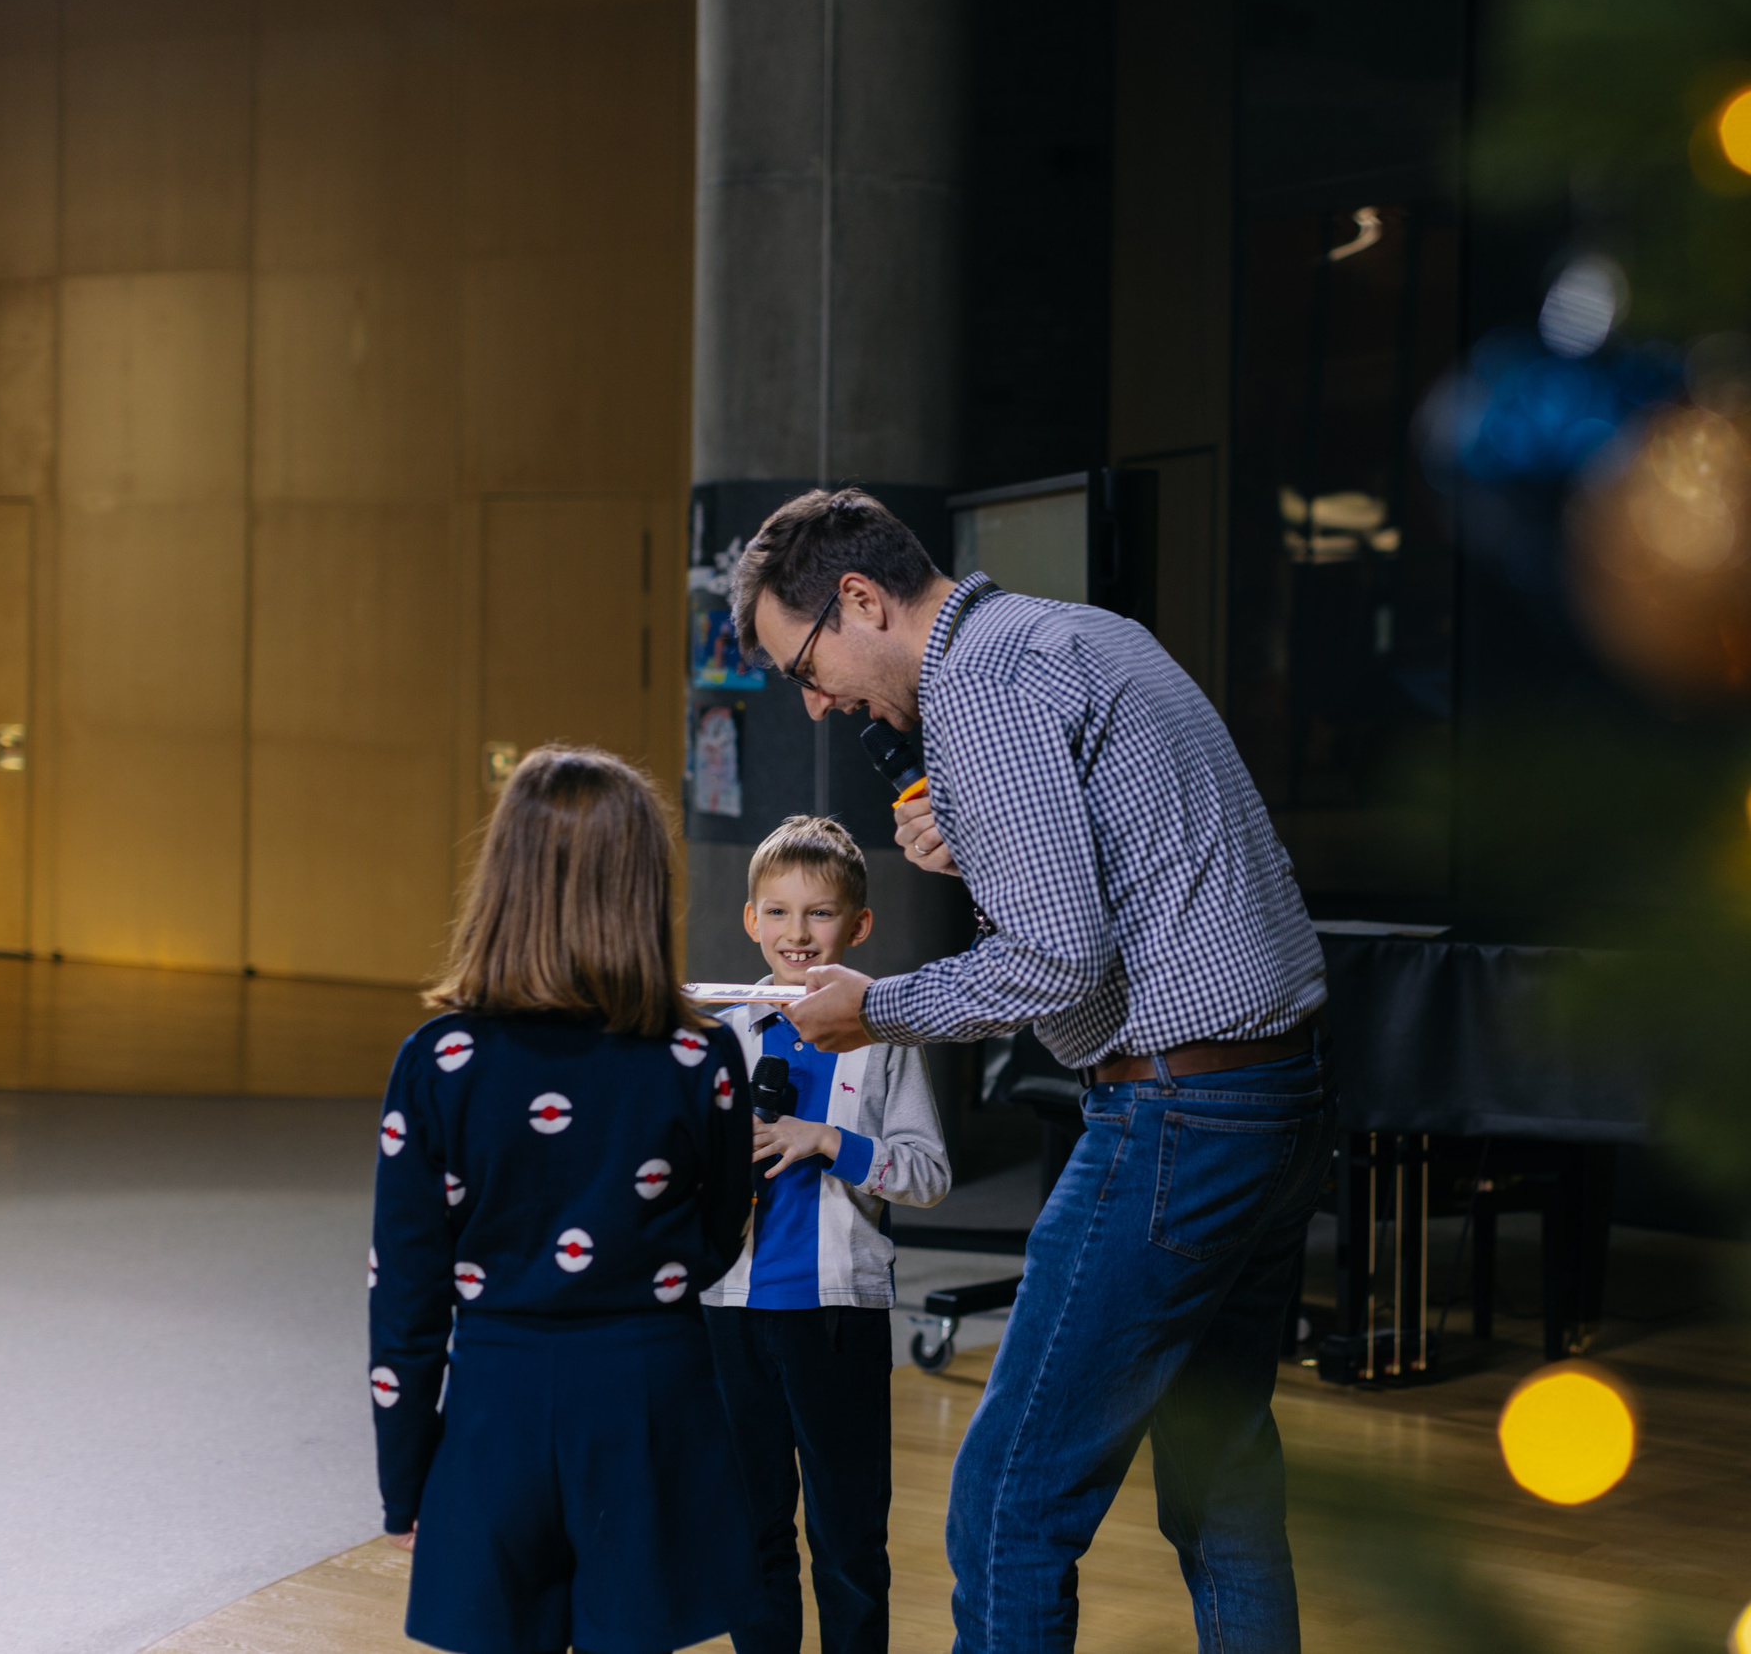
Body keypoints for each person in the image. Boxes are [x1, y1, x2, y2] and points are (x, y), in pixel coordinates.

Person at [726, 488, 1332, 1653]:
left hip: (1176, 1112)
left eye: (804, 664)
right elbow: (1141, 873)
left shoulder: (977, 689)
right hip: (1275, 1094)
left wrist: (876, 1010)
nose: (815, 703)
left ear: (859, 600)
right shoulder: (1080, 636)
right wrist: (990, 843)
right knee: (1221, 1481)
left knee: (1008, 1501)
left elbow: (1057, 962)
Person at [368, 745, 761, 1654]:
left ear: (503, 878)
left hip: (494, 1404)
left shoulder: (438, 1062)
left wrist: (405, 1477)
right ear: (644, 886)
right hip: (648, 1399)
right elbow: (720, 1235)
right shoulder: (701, 1058)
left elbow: (406, 1293)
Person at [701, 814, 951, 1654]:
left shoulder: (884, 1039)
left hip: (836, 1315)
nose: (796, 933)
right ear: (750, 920)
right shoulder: (719, 1037)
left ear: (859, 925)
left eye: (819, 914)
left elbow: (927, 1171)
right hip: (727, 1313)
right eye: (777, 912)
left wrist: (828, 1140)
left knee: (847, 1542)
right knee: (747, 1531)